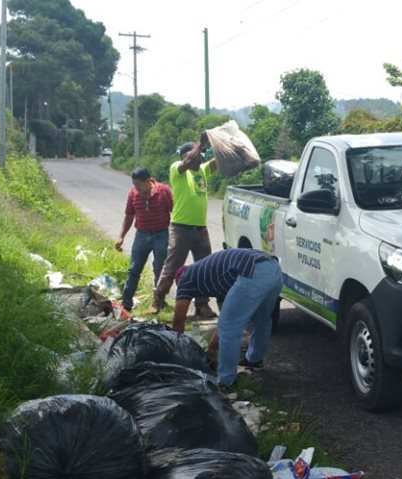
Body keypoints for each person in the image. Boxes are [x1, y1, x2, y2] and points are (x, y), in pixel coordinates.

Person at [171, 248, 282, 390]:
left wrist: (176, 352)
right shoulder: (213, 275)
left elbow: (179, 319)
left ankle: (226, 381)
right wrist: (211, 350)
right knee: (261, 319)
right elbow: (226, 315)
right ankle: (254, 360)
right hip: (273, 268)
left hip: (252, 271)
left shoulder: (185, 278)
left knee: (230, 329)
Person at [153, 134, 218, 318]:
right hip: (181, 228)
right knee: (172, 266)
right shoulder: (177, 169)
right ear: (186, 156)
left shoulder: (202, 171)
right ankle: (158, 298)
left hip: (200, 229)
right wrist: (201, 142)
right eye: (198, 155)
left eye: (202, 155)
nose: (201, 158)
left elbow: (217, 162)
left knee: (205, 267)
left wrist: (225, 146)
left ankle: (202, 305)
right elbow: (188, 161)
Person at [114, 167, 173, 315]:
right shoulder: (133, 194)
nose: (136, 189)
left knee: (160, 268)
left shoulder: (164, 191)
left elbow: (175, 211)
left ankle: (159, 301)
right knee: (134, 269)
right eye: (134, 185)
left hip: (161, 234)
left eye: (138, 185)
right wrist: (121, 236)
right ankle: (126, 304)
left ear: (148, 181)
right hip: (141, 235)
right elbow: (129, 216)